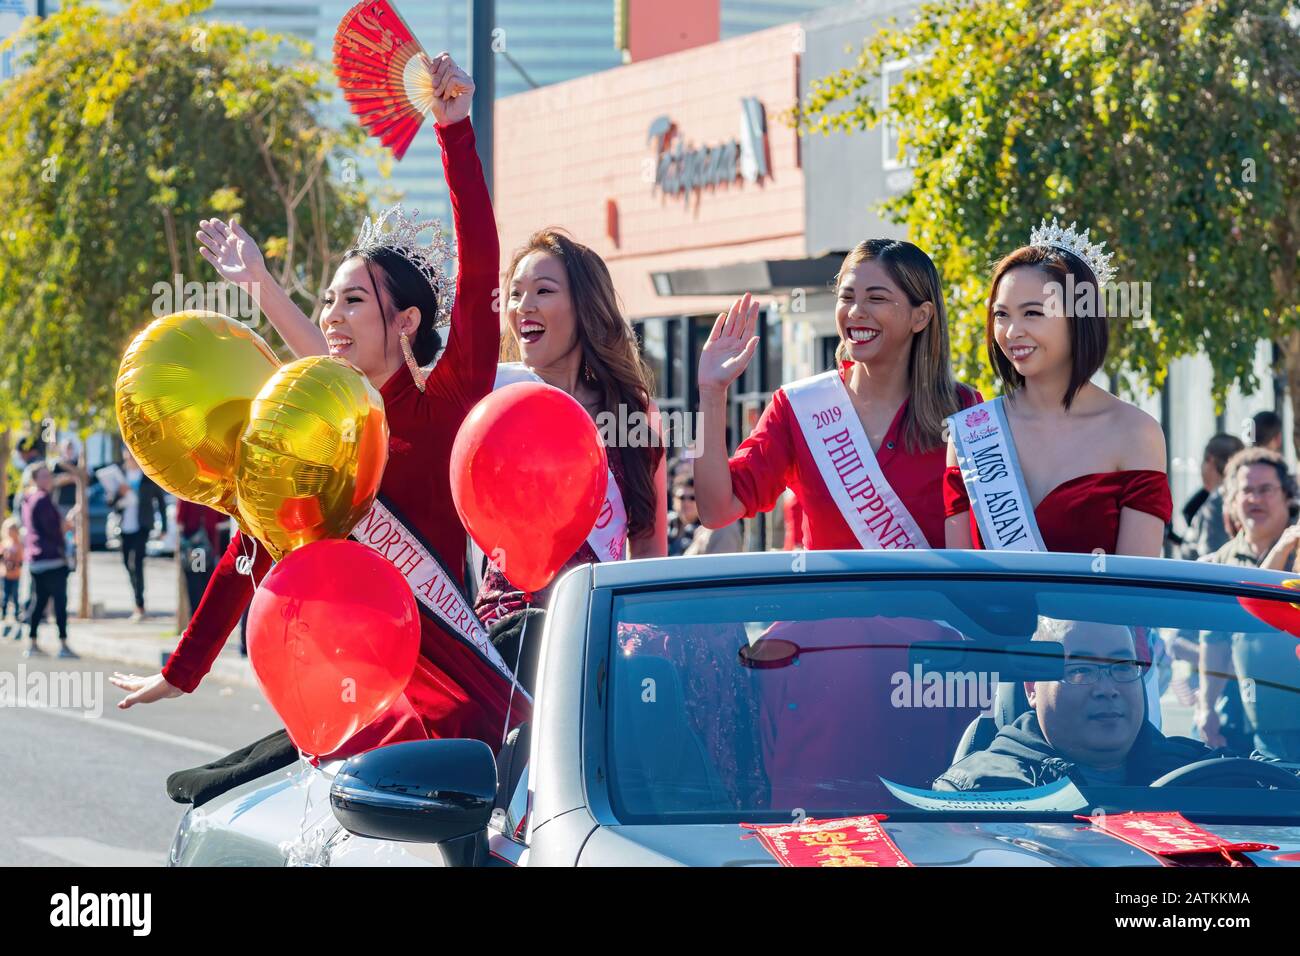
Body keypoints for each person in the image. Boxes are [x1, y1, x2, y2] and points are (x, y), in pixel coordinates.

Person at [111, 52, 524, 761]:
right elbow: (251, 548)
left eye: (353, 300)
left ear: (407, 323)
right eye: (328, 300)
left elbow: (482, 266)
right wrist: (183, 671)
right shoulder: (312, 434)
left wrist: (455, 134)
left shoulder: (445, 406)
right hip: (366, 718)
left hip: (465, 715)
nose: (331, 315)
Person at [696, 239, 981, 550]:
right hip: (829, 599)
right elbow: (716, 510)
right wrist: (712, 393)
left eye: (876, 298)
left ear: (921, 316)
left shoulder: (963, 409)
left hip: (930, 600)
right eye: (847, 297)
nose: (856, 312)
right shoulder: (800, 407)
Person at [473, 229, 667, 629]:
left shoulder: (634, 414)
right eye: (514, 293)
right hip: (509, 630)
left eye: (543, 291)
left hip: (596, 628)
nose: (523, 306)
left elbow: (648, 548)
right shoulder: (492, 401)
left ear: (583, 305)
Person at [944, 220, 1171, 557]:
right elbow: (960, 575)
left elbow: (1135, 589)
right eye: (1002, 315)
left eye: (1032, 313)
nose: (1011, 331)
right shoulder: (971, 434)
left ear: (1079, 317)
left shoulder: (1135, 433)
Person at [934, 618, 1214, 791]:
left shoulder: (1204, 777)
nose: (1107, 689)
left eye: (1124, 667)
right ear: (1032, 687)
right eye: (1080, 670)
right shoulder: (982, 793)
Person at [1196, 447, 1300, 761]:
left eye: (1266, 490)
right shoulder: (1222, 561)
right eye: (1247, 491)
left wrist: (1283, 550)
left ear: (1287, 495)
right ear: (1231, 499)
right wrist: (1206, 707)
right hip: (1245, 727)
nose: (1255, 499)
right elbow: (1214, 642)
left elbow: (1261, 603)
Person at [21, 463, 76, 659]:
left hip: (36, 558)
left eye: (48, 476)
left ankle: (32, 642)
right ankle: (63, 644)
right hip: (51, 558)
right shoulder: (43, 499)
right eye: (43, 476)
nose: (48, 480)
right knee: (59, 602)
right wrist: (68, 524)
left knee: (39, 601)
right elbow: (54, 530)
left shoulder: (28, 499)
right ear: (34, 479)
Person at [111, 450, 166, 622]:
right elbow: (111, 503)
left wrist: (163, 526)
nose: (130, 460)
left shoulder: (147, 476)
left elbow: (161, 501)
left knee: (137, 563)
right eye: (127, 457)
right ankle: (137, 599)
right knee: (128, 564)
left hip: (142, 526)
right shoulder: (121, 476)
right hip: (124, 528)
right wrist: (119, 493)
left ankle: (139, 605)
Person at [1176, 433, 1244, 560]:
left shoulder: (1217, 504)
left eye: (1202, 460)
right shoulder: (1234, 496)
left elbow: (1212, 559)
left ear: (1210, 460)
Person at [175, 498, 223, 618]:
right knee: (206, 589)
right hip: (210, 546)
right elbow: (221, 520)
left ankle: (195, 620)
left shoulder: (187, 494)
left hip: (195, 550)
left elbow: (180, 519)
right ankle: (204, 620)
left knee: (194, 587)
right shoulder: (215, 494)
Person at [1, 516, 23, 639]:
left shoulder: (19, 545)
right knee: (5, 598)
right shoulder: (5, 544)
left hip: (16, 576)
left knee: (15, 598)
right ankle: (4, 621)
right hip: (5, 575)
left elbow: (21, 561)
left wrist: (14, 565)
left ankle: (16, 622)